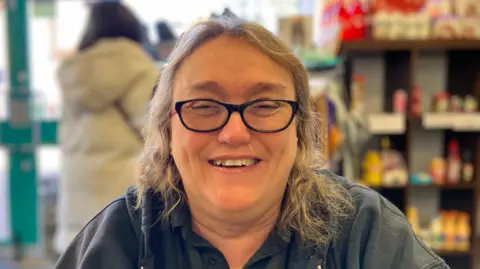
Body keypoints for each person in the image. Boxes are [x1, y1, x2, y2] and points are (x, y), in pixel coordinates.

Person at [54, 14, 449, 269]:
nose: (234, 133)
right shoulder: (117, 239)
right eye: (204, 105)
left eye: (265, 104)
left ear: (300, 128)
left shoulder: (365, 233)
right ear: (167, 131)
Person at [54, 2, 158, 254]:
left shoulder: (75, 71)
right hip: (120, 187)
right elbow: (154, 131)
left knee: (82, 252)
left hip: (77, 183)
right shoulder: (138, 68)